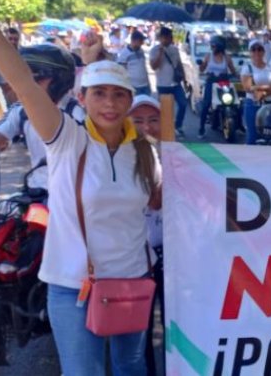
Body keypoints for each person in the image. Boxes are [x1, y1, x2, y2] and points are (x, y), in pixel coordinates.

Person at [0, 0, 161, 374]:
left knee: (132, 369)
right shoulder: (67, 139)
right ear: (83, 98)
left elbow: (162, 202)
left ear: (130, 101)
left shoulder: (144, 150)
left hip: (133, 281)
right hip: (74, 285)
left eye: (118, 95)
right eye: (99, 94)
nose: (109, 104)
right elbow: (25, 84)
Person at [0, 45, 86, 193]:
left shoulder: (78, 114)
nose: (25, 87)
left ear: (59, 80)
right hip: (36, 192)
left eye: (35, 79)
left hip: (74, 194)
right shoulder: (20, 111)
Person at [128, 95, 164, 376]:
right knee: (141, 329)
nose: (146, 127)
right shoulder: (117, 157)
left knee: (179, 322)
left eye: (153, 120)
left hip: (175, 256)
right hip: (137, 260)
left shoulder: (180, 156)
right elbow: (154, 200)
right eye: (137, 120)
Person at [241, 40, 271, 144]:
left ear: (263, 52)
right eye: (253, 50)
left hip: (270, 105)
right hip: (253, 104)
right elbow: (248, 87)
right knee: (252, 135)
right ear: (250, 52)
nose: (256, 52)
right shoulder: (247, 68)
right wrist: (269, 88)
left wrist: (262, 90)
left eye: (259, 49)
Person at [150, 26, 187, 137]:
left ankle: (178, 125)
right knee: (164, 109)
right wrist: (160, 53)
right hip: (163, 84)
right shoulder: (155, 50)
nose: (168, 39)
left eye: (170, 37)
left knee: (183, 104)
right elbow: (153, 66)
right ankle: (164, 128)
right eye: (165, 37)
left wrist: (184, 78)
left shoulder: (174, 49)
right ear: (161, 38)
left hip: (175, 83)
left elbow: (179, 63)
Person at [198, 35, 238, 138]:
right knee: (206, 105)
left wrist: (238, 76)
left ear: (220, 46)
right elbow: (202, 69)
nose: (212, 47)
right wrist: (201, 65)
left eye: (214, 46)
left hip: (223, 84)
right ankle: (201, 128)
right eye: (212, 45)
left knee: (234, 103)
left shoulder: (227, 58)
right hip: (211, 83)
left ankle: (239, 124)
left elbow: (233, 71)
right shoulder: (208, 56)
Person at [117, 30, 151, 96]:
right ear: (134, 40)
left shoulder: (141, 51)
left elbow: (143, 67)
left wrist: (148, 83)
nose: (142, 43)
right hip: (133, 87)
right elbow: (121, 71)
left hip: (145, 85)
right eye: (140, 41)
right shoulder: (124, 54)